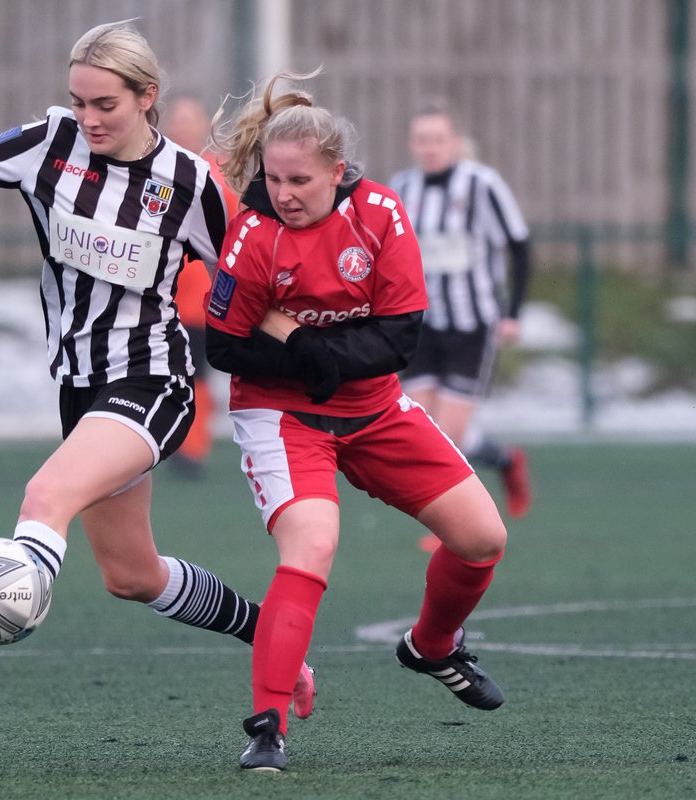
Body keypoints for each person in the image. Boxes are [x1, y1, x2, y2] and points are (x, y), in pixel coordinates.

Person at [0, 20, 314, 715]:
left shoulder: (189, 182)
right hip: (80, 386)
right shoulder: (49, 143)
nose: (88, 117)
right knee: (132, 576)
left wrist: (316, 350)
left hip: (153, 380)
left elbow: (245, 289)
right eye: (79, 101)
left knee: (46, 499)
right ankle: (267, 636)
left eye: (105, 104)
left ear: (146, 97)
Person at [204, 71, 508, 772]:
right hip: (282, 417)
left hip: (374, 408)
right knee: (312, 544)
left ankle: (432, 646)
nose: (284, 194)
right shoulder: (253, 234)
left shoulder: (381, 213)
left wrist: (309, 347)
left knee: (482, 538)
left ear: (337, 173)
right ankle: (268, 727)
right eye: (274, 179)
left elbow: (399, 338)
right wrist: (310, 364)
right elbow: (223, 345)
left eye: (300, 181)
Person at [389, 100, 533, 536]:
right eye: (422, 140)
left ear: (453, 142)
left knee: (449, 432)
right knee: (425, 428)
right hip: (423, 325)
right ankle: (505, 460)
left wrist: (513, 313)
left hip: (473, 323)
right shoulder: (402, 187)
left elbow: (520, 245)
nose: (430, 148)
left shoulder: (483, 184)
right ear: (412, 144)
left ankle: (455, 529)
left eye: (438, 139)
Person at [160, 97, 240, 474]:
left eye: (190, 121)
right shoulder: (156, 167)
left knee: (196, 371)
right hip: (160, 294)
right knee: (167, 370)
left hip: (206, 297)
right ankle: (173, 441)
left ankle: (192, 447)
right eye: (177, 120)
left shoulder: (219, 172)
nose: (183, 128)